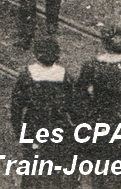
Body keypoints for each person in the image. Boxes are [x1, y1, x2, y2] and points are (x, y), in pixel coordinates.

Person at [75, 27, 121, 186]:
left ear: (104, 44)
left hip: (98, 117)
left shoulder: (92, 65)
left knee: (98, 162)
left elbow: (79, 93)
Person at [8, 38, 76, 189]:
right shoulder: (64, 75)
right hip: (58, 127)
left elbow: (16, 107)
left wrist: (19, 132)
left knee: (33, 170)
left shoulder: (27, 74)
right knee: (55, 170)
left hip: (34, 126)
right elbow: (73, 106)